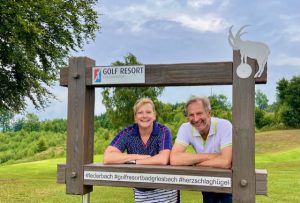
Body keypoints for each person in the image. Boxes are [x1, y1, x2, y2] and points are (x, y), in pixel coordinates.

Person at [103, 97, 180, 203]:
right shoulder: (128, 132)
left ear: (154, 115)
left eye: (148, 112)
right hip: (141, 190)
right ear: (135, 117)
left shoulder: (163, 131)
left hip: (165, 188)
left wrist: (135, 162)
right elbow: (108, 157)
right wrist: (137, 157)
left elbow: (163, 159)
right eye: (140, 113)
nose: (144, 116)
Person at [170, 95, 232, 203]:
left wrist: (194, 163)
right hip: (206, 183)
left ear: (209, 113)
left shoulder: (224, 125)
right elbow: (174, 159)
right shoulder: (186, 128)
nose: (196, 119)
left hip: (228, 183)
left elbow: (226, 162)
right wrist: (214, 156)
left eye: (199, 113)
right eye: (191, 115)